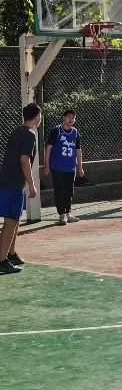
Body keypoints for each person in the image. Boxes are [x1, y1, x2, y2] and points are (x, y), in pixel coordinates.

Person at [0, 103, 42, 274]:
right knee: (10, 221)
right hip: (12, 183)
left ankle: (11, 254)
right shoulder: (30, 134)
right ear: (37, 116)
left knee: (15, 219)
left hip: (11, 182)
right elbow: (24, 160)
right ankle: (1, 260)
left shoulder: (17, 131)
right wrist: (32, 185)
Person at [44, 109, 84, 225]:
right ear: (64, 117)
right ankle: (62, 214)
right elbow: (48, 148)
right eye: (69, 116)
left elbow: (78, 150)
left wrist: (80, 167)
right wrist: (47, 165)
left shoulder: (75, 132)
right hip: (57, 167)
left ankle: (68, 213)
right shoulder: (56, 131)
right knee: (59, 190)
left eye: (73, 117)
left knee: (69, 191)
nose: (71, 119)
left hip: (70, 167)